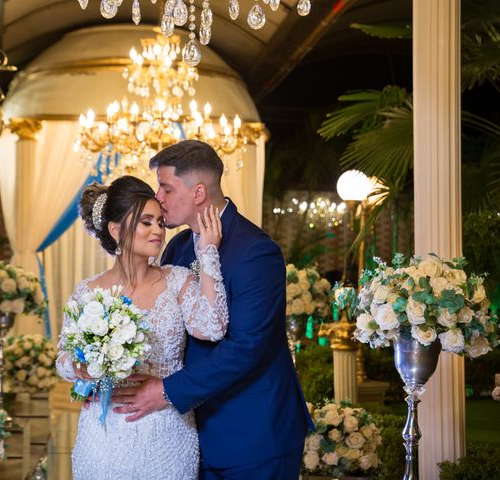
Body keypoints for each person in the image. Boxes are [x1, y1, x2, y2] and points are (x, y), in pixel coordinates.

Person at [112, 140, 314, 480]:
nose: (157, 198)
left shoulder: (256, 250)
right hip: (189, 432)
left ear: (198, 192)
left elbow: (247, 347)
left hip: (252, 433)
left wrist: (165, 391)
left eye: (165, 187)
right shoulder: (175, 247)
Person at [55, 175, 229, 480]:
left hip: (167, 431)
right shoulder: (87, 292)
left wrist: (208, 252)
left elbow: (213, 327)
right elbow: (63, 360)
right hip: (103, 434)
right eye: (146, 222)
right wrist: (82, 367)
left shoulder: (177, 280)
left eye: (160, 222)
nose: (158, 231)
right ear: (116, 229)